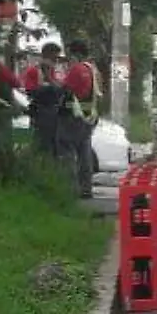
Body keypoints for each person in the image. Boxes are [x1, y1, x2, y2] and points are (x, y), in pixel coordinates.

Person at [61, 39, 99, 198]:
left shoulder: (76, 69)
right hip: (89, 116)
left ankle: (71, 189)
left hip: (73, 116)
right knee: (85, 153)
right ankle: (86, 188)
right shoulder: (93, 69)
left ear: (74, 53)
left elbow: (65, 89)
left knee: (67, 150)